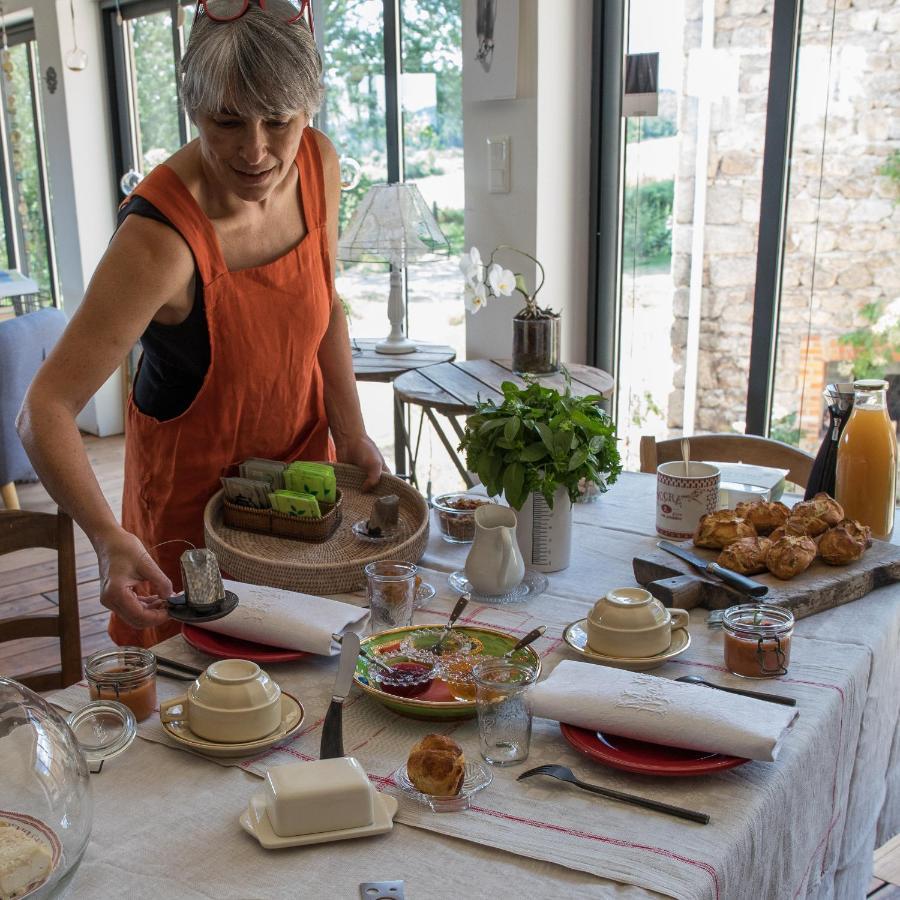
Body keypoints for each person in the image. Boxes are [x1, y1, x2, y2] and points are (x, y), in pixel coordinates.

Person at [17, 0, 384, 648]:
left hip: (302, 503)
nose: (257, 150)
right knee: (206, 722)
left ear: (310, 109)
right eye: (228, 121)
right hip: (191, 528)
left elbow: (321, 302)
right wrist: (107, 540)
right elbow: (43, 410)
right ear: (194, 107)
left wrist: (350, 434)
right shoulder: (156, 241)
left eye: (280, 120)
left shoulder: (318, 165)